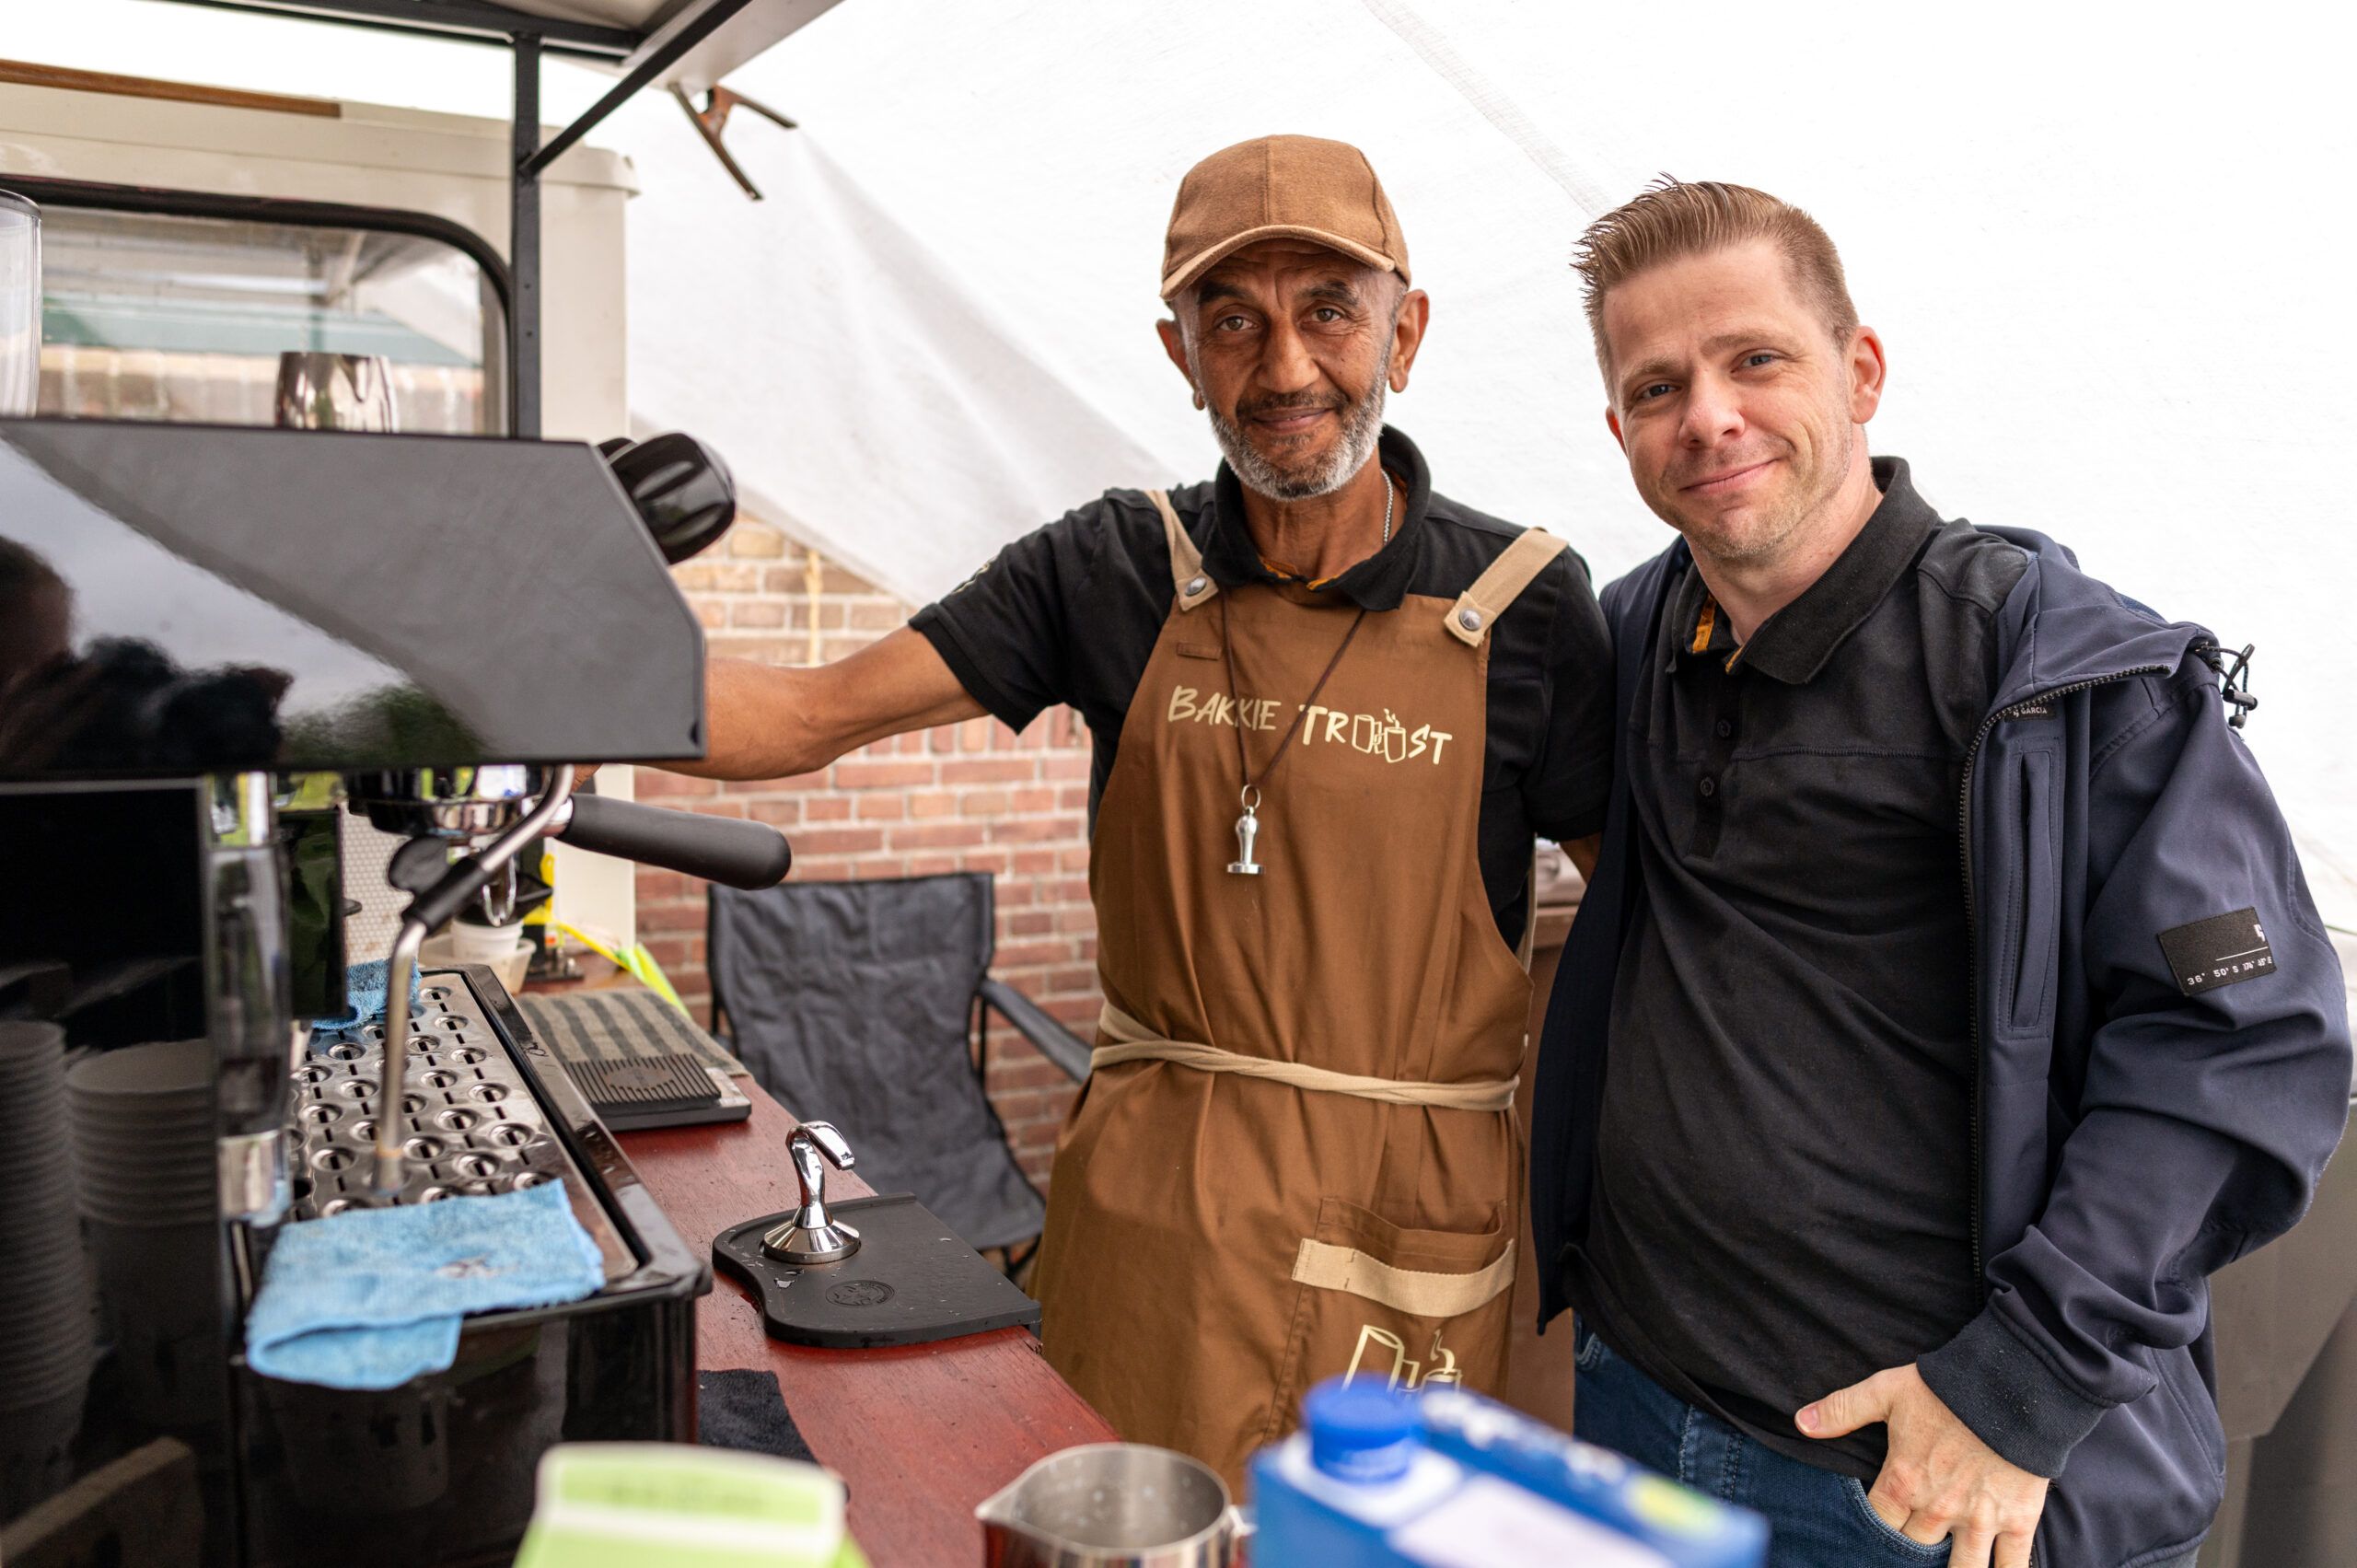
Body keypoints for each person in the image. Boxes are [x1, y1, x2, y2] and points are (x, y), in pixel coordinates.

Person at [655, 134, 1614, 1484]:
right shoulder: (1112, 569)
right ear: (1180, 354)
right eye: (1234, 321)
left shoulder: (1524, 605)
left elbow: (1645, 932)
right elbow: (809, 715)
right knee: (1109, 1523)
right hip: (1153, 1220)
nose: (1284, 369)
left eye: (1330, 309)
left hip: (1409, 1237)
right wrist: (526, 681)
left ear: (1411, 326)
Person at [1527, 180, 2351, 1568]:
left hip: (1924, 1489)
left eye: (1756, 360)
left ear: (1860, 372)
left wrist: (2017, 1390)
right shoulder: (1634, 639)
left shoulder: (2068, 677)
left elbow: (2250, 1040)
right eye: (1657, 385)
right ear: (1621, 434)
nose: (1707, 415)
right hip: (1637, 1413)